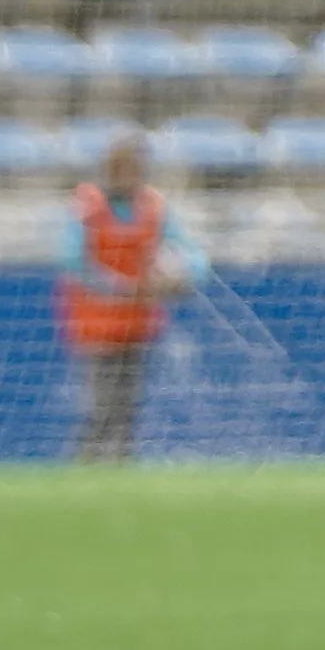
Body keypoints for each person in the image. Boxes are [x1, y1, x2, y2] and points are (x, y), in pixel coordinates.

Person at [57, 132, 201, 464]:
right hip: (94, 323)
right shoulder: (88, 204)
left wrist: (182, 276)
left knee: (129, 403)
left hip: (137, 321)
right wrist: (120, 287)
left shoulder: (153, 206)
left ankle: (121, 463)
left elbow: (189, 252)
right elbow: (71, 260)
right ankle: (88, 463)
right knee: (101, 404)